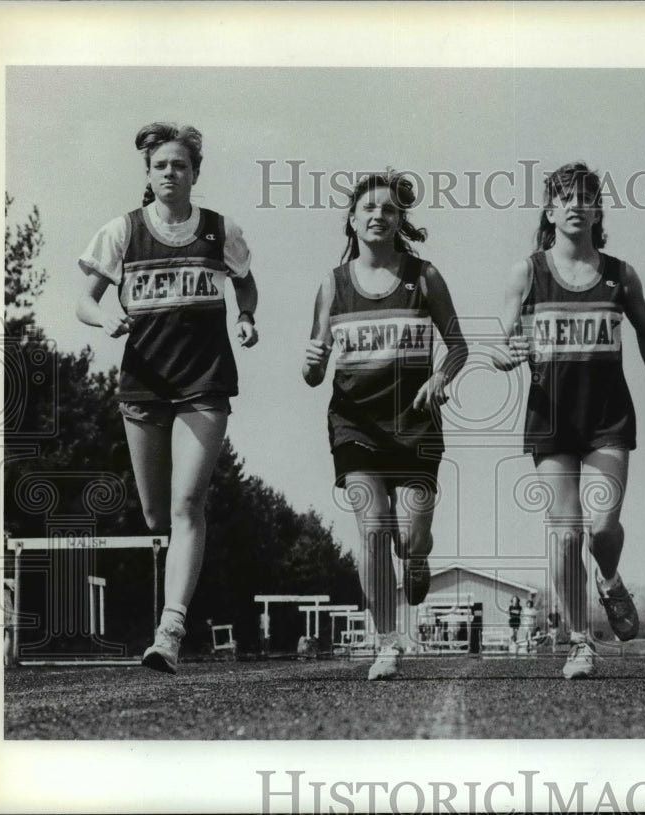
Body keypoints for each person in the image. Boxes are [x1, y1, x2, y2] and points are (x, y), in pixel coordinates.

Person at [76, 123, 259, 675]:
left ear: (195, 174)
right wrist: (104, 316)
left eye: (180, 165)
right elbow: (83, 301)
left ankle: (170, 629)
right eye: (161, 166)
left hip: (204, 383)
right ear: (148, 175)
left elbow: (246, 282)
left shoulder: (220, 230)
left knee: (187, 504)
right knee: (158, 514)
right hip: (144, 385)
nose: (171, 174)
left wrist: (247, 316)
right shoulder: (122, 232)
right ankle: (173, 607)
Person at [496, 161, 645, 679]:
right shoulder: (528, 271)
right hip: (551, 417)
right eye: (565, 197)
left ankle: (611, 577)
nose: (576, 205)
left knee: (602, 526)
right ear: (550, 210)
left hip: (606, 417)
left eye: (586, 197)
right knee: (565, 534)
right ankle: (580, 640)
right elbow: (503, 334)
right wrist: (507, 351)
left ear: (598, 210)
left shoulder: (621, 273)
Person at [303, 171, 468, 681]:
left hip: (415, 426)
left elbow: (459, 346)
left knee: (412, 535)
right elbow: (313, 373)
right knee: (373, 531)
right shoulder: (332, 284)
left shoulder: (425, 277)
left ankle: (417, 559)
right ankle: (388, 642)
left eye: (389, 210)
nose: (378, 215)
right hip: (355, 425)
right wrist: (311, 359)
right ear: (351, 219)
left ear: (400, 221)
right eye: (369, 208)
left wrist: (441, 376)